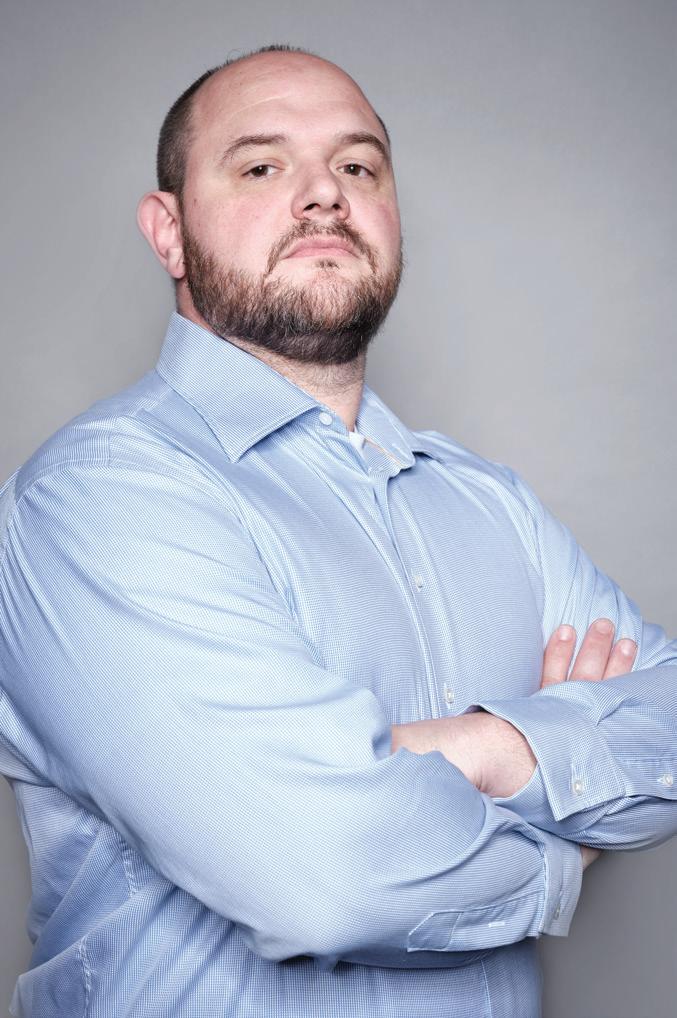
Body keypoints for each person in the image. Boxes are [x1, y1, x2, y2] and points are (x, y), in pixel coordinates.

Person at [0, 43, 675, 1018]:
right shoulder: (94, 499)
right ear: (169, 232)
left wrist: (482, 747)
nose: (324, 194)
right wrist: (562, 836)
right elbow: (324, 875)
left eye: (357, 166)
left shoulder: (488, 502)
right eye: (260, 166)